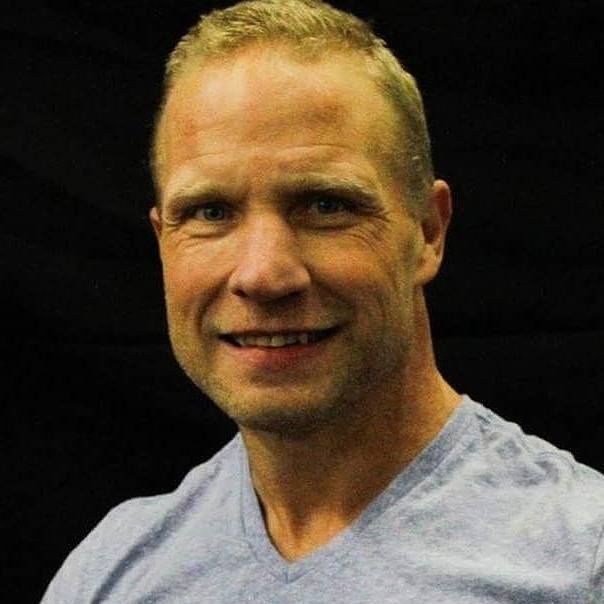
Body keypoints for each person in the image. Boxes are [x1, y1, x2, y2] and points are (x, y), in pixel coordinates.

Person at [41, 1, 604, 602]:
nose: (264, 274)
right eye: (210, 212)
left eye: (325, 206)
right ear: (162, 242)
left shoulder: (582, 560)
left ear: (428, 232)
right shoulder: (110, 571)